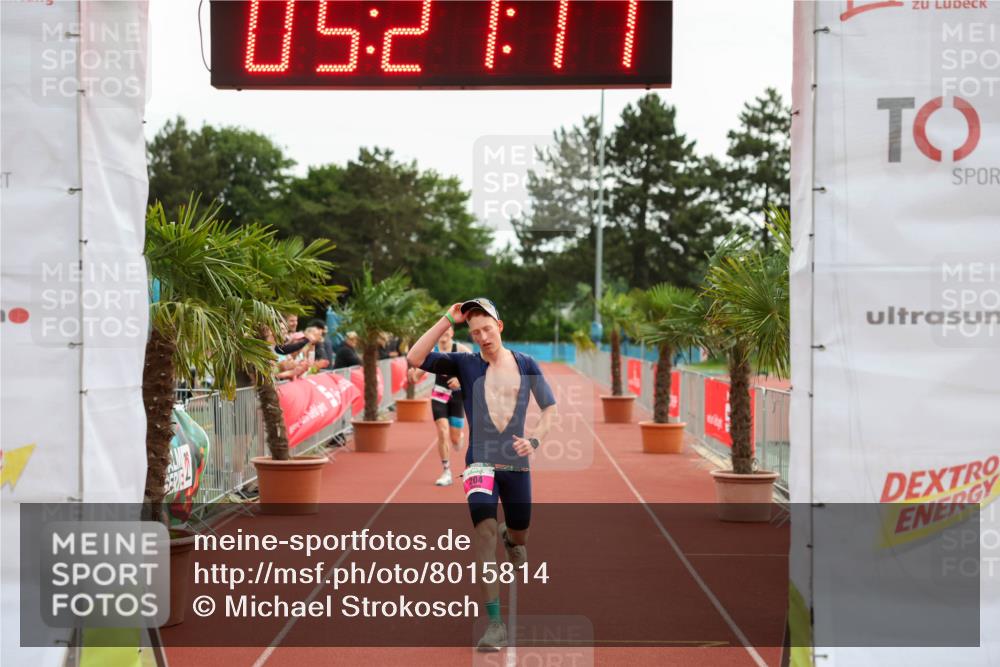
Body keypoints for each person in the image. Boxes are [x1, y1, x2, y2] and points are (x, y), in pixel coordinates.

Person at [406, 298, 557, 652]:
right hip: (479, 463)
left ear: (499, 327)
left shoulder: (526, 364)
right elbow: (414, 358)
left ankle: (513, 539)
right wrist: (447, 319)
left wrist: (535, 439)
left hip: (516, 465)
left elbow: (549, 407)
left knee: (518, 533)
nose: (483, 337)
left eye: (488, 329)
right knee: (484, 536)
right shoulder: (465, 363)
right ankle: (494, 624)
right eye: (475, 332)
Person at [408, 325, 472, 486]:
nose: (444, 334)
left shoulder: (460, 349)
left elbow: (474, 370)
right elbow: (416, 377)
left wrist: (460, 379)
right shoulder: (432, 352)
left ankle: (458, 438)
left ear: (452, 333)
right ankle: (446, 471)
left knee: (455, 439)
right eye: (441, 331)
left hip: (457, 396)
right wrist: (412, 377)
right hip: (439, 395)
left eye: (447, 331)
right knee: (442, 431)